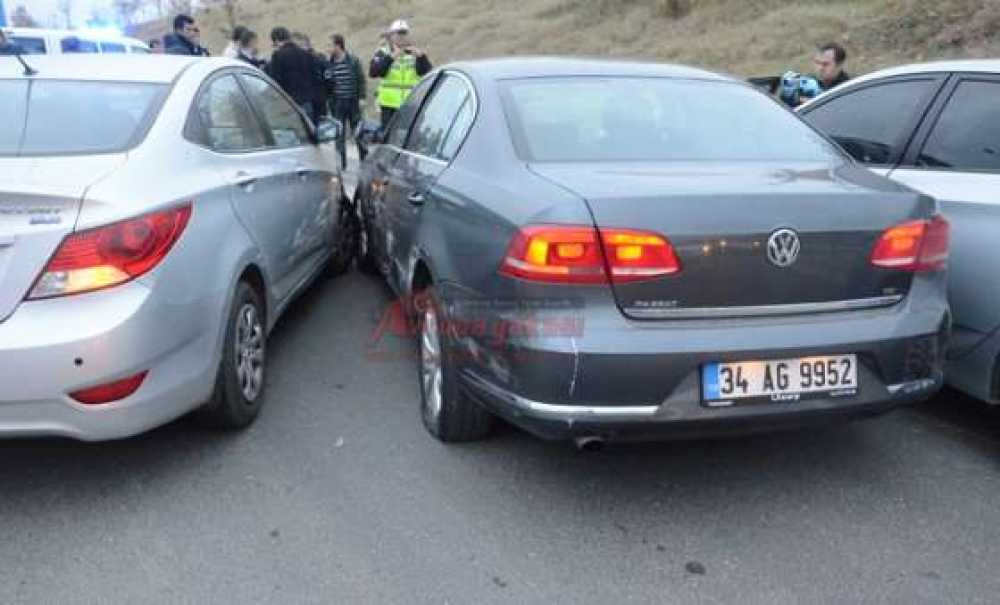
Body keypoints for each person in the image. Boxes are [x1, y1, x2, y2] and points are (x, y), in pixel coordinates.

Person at [370, 19, 432, 128]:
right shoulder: (383, 52)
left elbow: (427, 72)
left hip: (410, 105)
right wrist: (391, 57)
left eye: (404, 33)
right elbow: (374, 72)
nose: (401, 36)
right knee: (389, 139)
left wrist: (421, 57)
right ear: (391, 35)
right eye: (398, 33)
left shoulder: (414, 52)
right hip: (389, 105)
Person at [326, 34, 368, 169]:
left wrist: (362, 97)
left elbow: (361, 79)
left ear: (338, 45)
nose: (328, 48)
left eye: (330, 45)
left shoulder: (353, 61)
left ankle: (364, 160)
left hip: (353, 102)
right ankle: (341, 163)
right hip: (338, 103)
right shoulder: (329, 64)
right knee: (339, 134)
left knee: (358, 132)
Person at [267, 27, 325, 123]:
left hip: (289, 105)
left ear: (276, 41)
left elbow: (275, 82)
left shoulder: (278, 56)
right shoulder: (305, 54)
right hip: (307, 102)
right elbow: (316, 79)